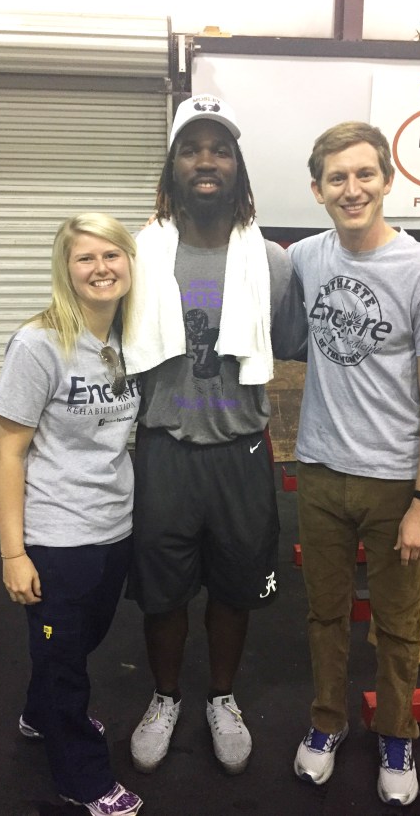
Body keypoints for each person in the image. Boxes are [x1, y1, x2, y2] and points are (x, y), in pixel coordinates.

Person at [280, 122, 420, 806]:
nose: (352, 189)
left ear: (388, 180)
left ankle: (397, 734)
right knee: (325, 614)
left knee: (399, 622)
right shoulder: (304, 258)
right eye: (337, 178)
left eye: (365, 175)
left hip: (398, 484)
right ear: (317, 190)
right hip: (322, 472)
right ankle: (327, 722)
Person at [121, 93, 293, 776]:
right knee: (161, 593)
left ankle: (221, 698)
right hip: (163, 448)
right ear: (172, 165)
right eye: (192, 148)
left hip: (241, 451)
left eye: (220, 149)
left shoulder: (272, 262)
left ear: (238, 167)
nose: (206, 160)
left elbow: (291, 345)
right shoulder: (138, 255)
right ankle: (165, 698)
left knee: (234, 588)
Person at [0, 213, 143, 816]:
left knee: (78, 643)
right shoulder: (38, 343)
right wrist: (12, 552)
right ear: (66, 269)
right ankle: (83, 779)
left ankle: (38, 714)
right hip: (56, 534)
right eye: (86, 258)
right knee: (64, 663)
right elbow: (8, 451)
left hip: (115, 523)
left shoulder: (133, 338)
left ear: (129, 262)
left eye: (112, 255)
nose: (101, 268)